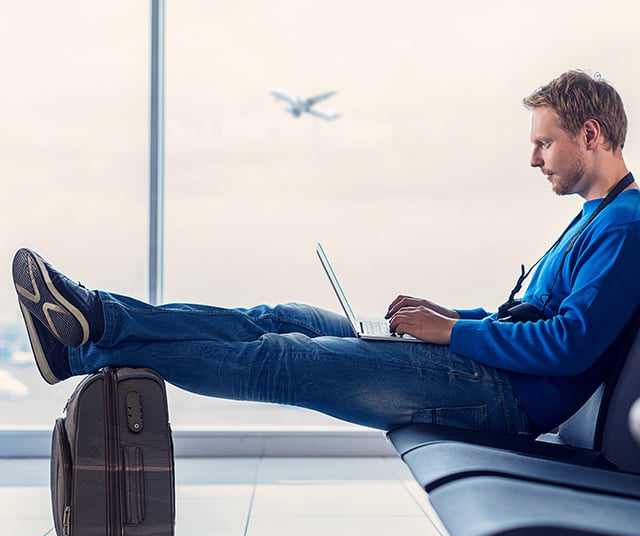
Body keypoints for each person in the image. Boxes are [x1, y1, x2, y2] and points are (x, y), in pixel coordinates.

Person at [12, 70, 640, 438]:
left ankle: (83, 345)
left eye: (545, 143)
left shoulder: (626, 227)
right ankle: (99, 316)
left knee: (281, 359)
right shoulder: (598, 215)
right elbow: (532, 317)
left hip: (502, 396)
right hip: (488, 368)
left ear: (590, 135)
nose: (533, 158)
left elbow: (568, 345)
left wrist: (450, 332)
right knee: (285, 315)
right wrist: (453, 317)